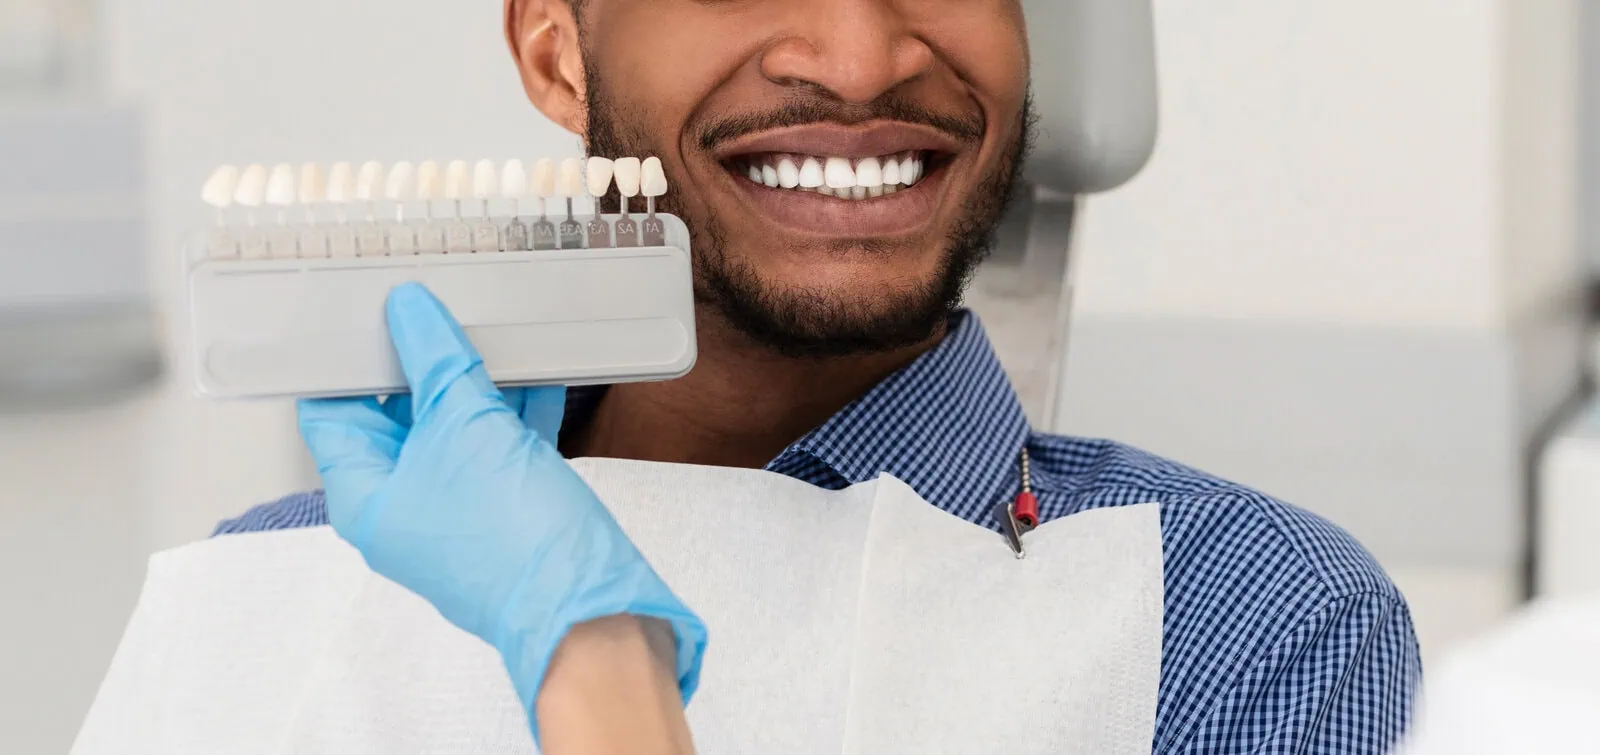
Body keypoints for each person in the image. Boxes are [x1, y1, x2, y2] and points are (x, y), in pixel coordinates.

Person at [215, 0, 1423, 752]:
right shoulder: (272, 592)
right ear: (556, 53)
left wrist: (595, 660)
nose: (857, 57)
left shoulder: (1249, 632)